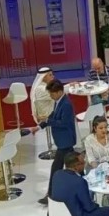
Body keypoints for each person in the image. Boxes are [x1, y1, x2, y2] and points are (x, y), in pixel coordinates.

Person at [31, 78, 76, 206]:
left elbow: (63, 123)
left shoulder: (66, 105)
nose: (50, 96)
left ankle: (50, 195)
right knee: (73, 167)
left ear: (59, 92)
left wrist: (49, 121)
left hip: (65, 142)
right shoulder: (58, 102)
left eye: (52, 93)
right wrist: (39, 126)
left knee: (56, 169)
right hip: (63, 142)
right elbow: (52, 116)